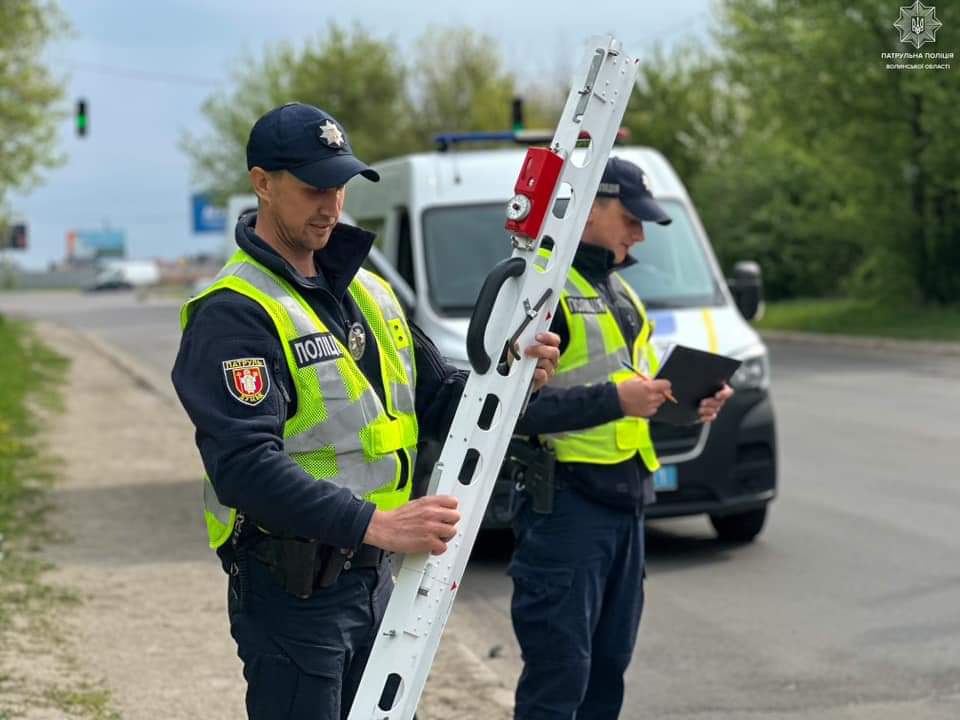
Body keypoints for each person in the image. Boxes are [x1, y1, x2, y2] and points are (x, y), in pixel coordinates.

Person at [171, 102, 561, 720]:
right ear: (262, 183)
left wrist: (515, 380)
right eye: (313, 189)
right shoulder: (233, 312)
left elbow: (439, 398)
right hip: (295, 593)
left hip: (377, 581)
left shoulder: (369, 291)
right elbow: (244, 467)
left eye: (340, 187)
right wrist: (377, 524)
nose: (331, 206)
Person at [508, 157, 734, 720]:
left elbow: (634, 393)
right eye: (631, 219)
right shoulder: (542, 289)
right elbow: (509, 413)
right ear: (588, 209)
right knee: (559, 681)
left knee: (607, 674)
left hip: (624, 503)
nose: (640, 234)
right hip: (566, 507)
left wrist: (690, 405)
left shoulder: (621, 292)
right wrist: (618, 400)